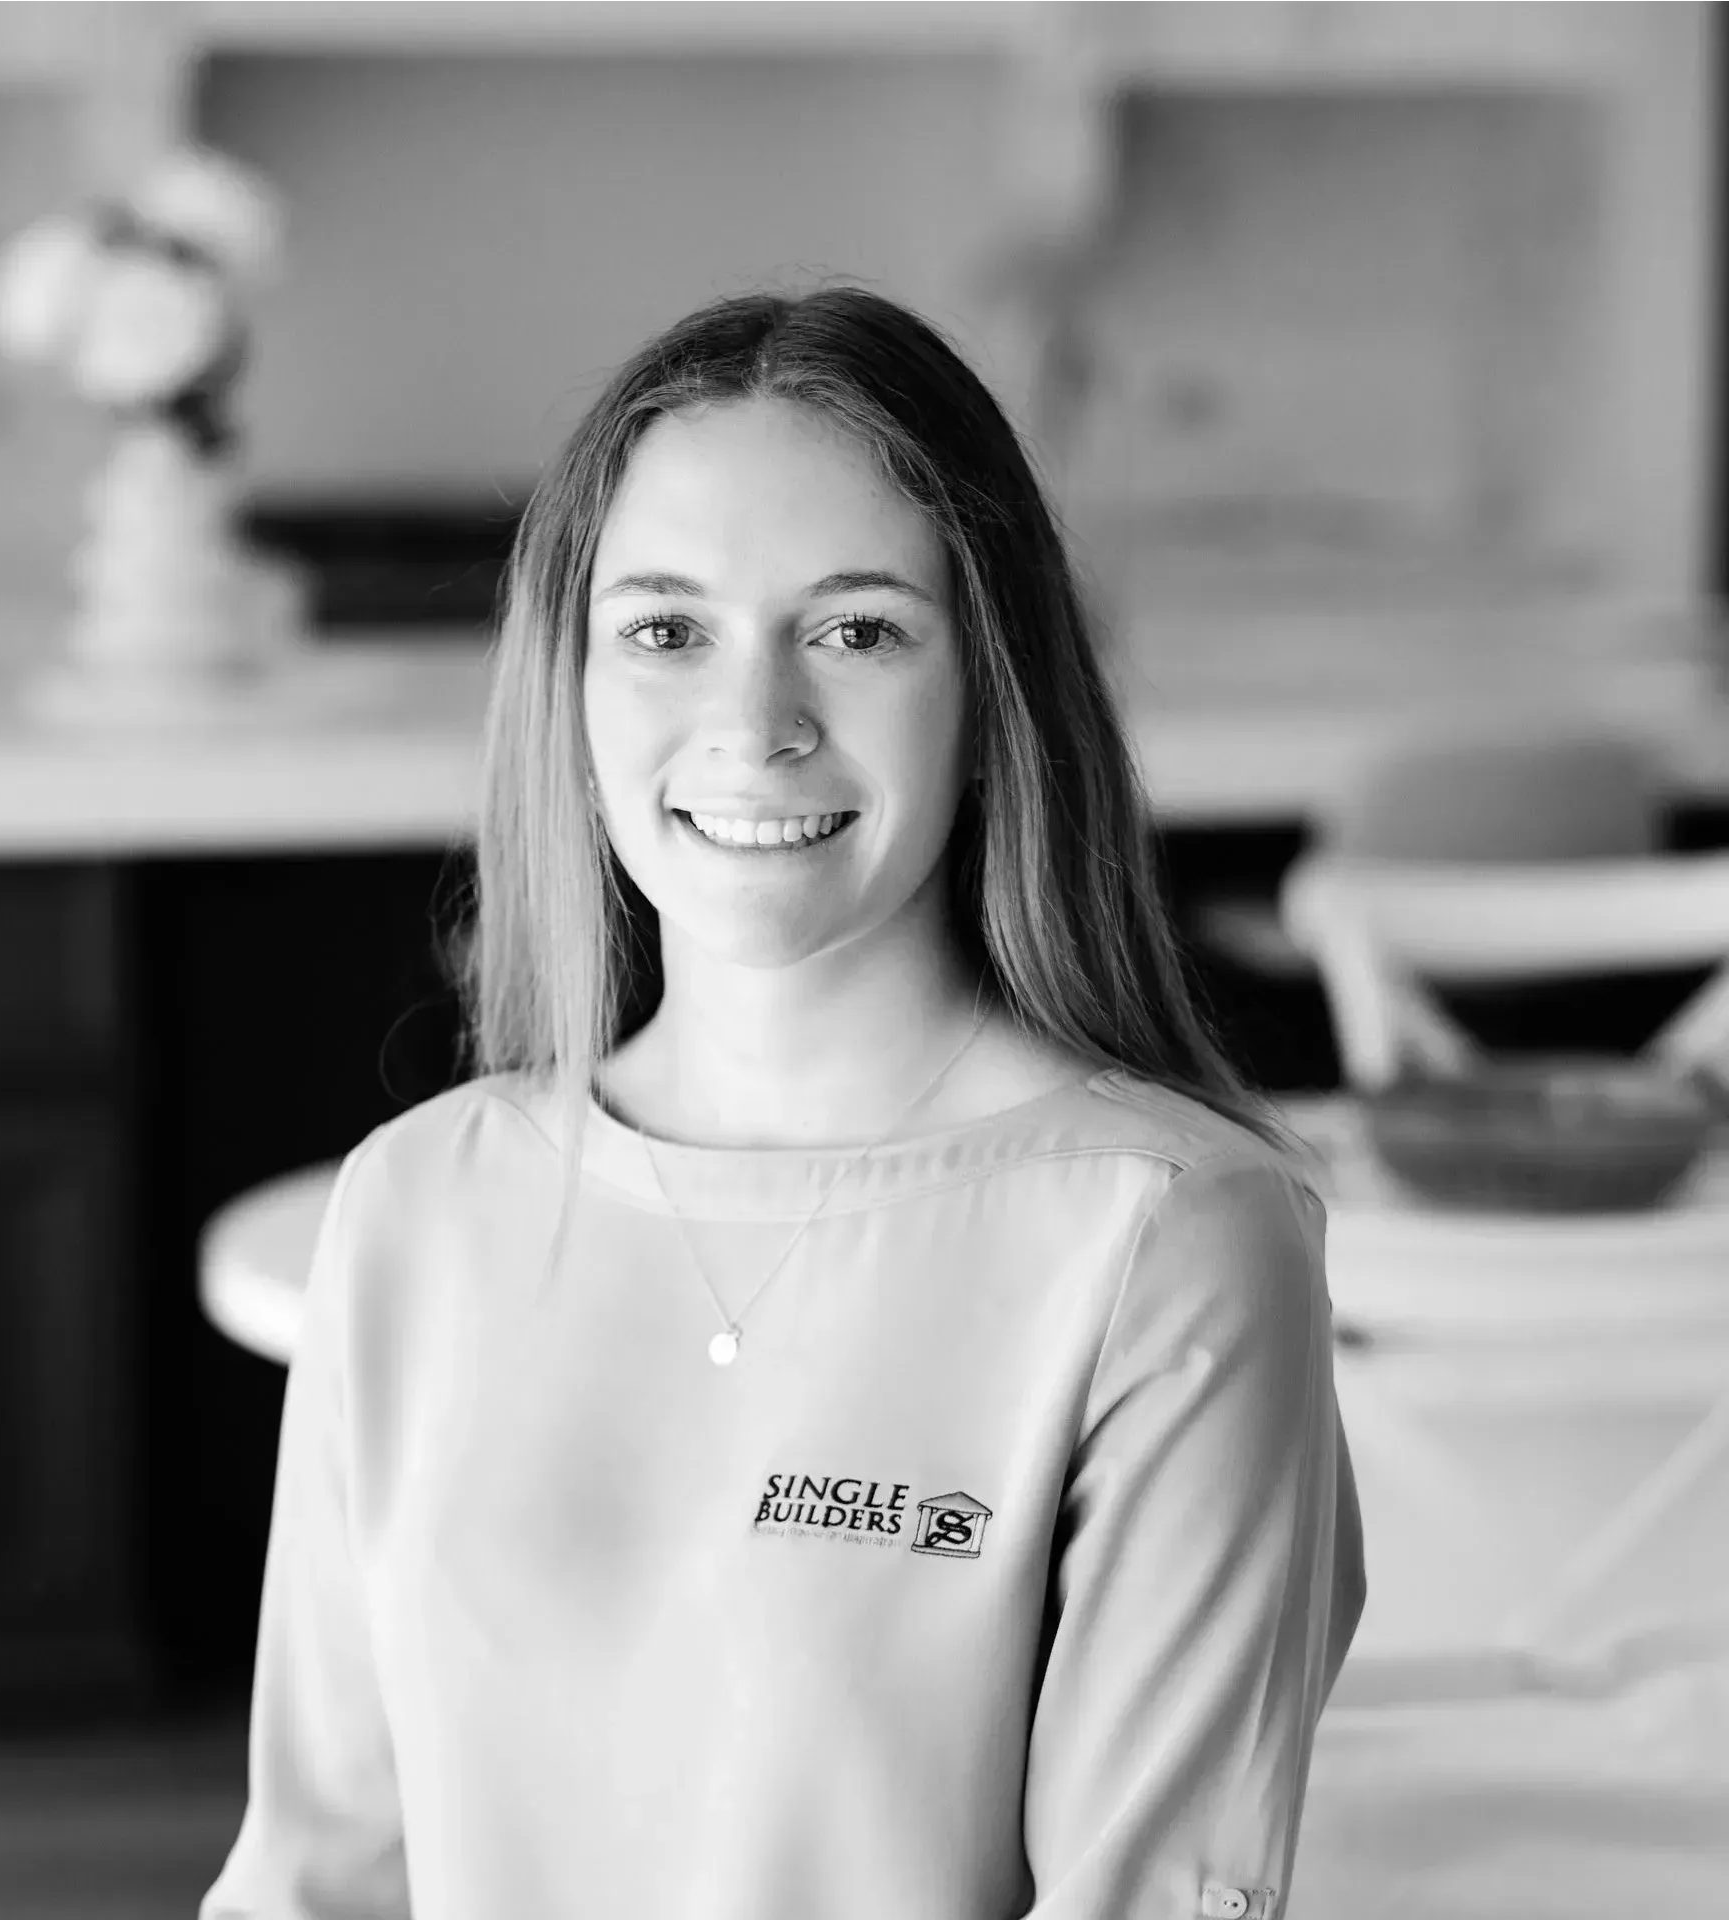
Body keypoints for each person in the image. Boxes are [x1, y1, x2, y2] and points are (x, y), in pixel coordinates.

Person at [201, 286, 1366, 1920]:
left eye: (859, 628)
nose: (755, 726)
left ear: (992, 696)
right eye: (667, 630)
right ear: (575, 688)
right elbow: (311, 1874)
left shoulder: (1169, 1239)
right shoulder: (415, 1205)